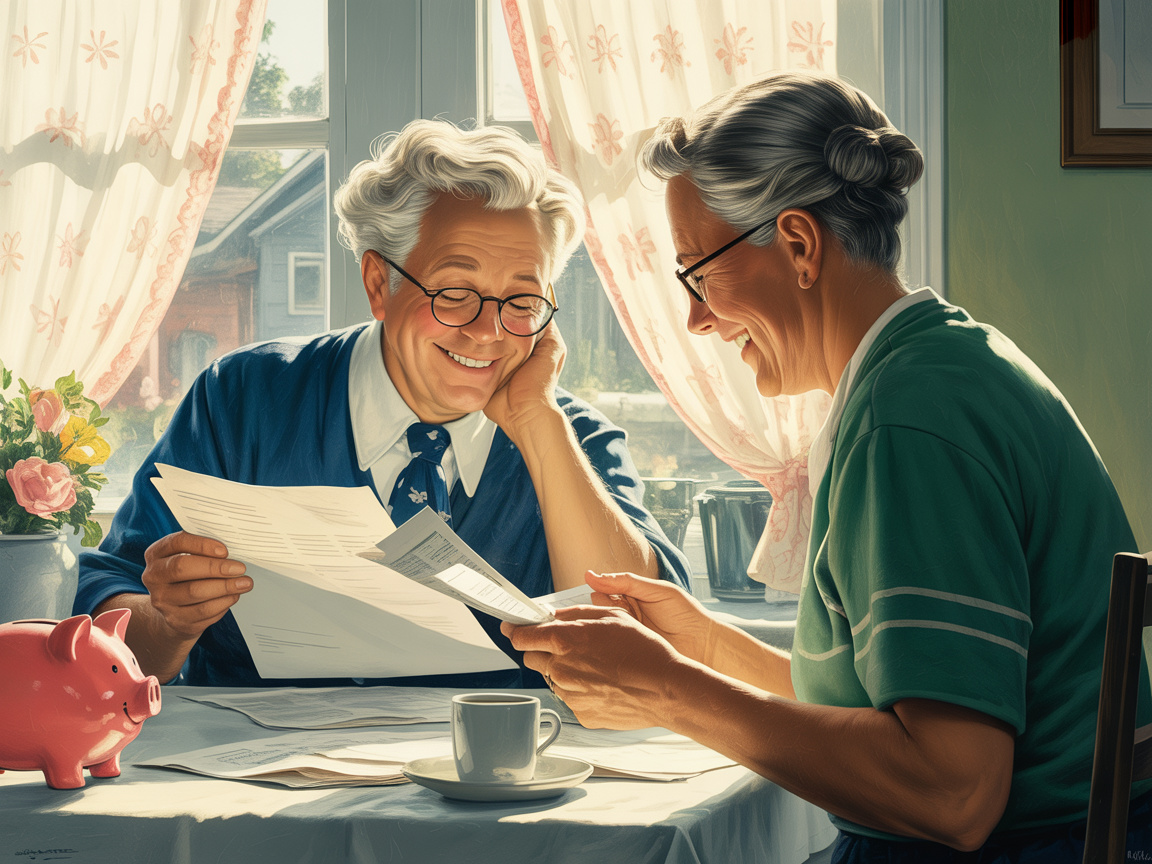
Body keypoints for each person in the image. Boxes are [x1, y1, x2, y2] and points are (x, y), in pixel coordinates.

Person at [503, 72, 1152, 862]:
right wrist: (704, 644)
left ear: (801, 245)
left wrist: (671, 691)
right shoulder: (946, 362)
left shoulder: (907, 419)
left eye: (696, 274)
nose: (696, 318)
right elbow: (888, 710)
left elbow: (953, 794)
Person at [74, 119, 690, 690]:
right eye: (454, 293)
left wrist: (537, 424)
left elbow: (648, 648)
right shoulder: (243, 398)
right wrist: (166, 622)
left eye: (521, 300)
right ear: (379, 283)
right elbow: (111, 603)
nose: (487, 331)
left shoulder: (573, 439)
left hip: (495, 792)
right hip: (257, 786)